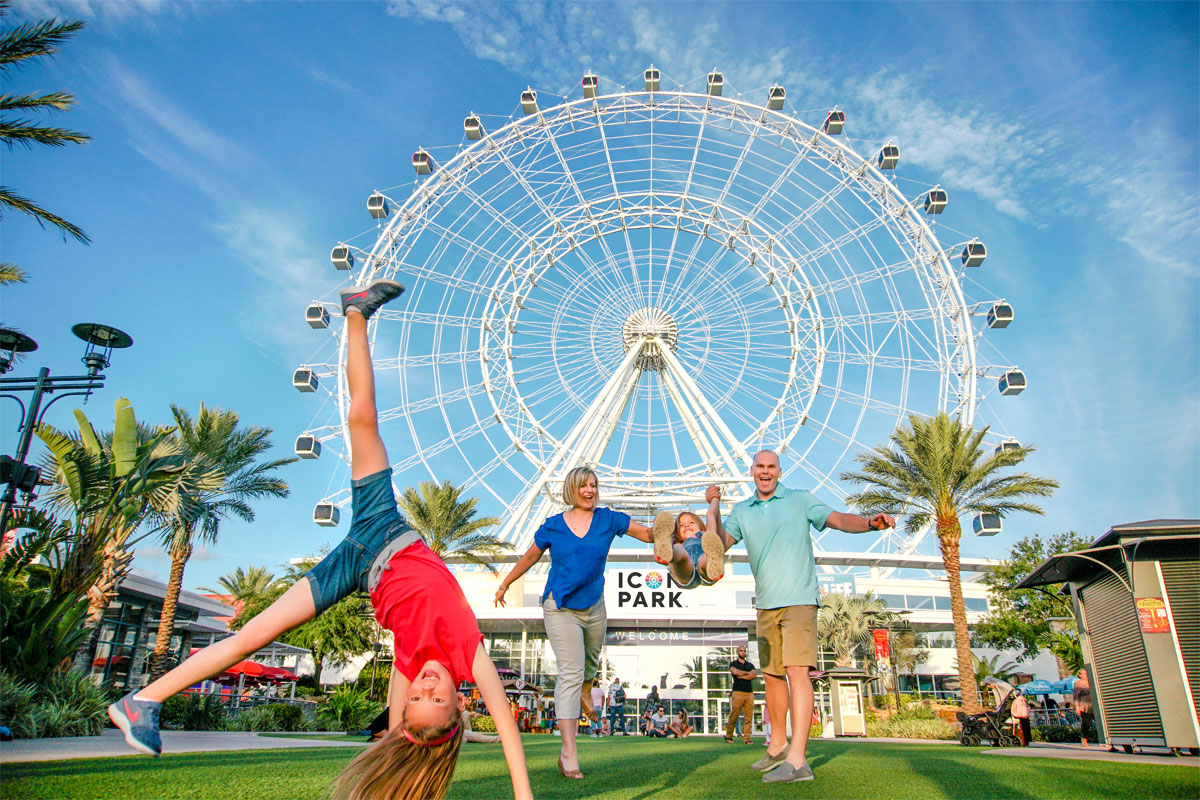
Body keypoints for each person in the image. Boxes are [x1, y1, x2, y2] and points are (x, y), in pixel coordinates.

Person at [106, 281, 532, 800]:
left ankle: (140, 701)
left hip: (355, 566)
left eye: (416, 699)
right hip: (387, 529)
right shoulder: (471, 656)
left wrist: (397, 741)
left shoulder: (405, 664)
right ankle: (356, 314)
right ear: (461, 705)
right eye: (435, 698)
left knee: (251, 634)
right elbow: (509, 732)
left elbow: (400, 729)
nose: (425, 687)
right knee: (362, 417)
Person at [706, 450, 895, 785]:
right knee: (773, 676)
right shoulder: (742, 511)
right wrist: (714, 506)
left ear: (779, 471)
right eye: (759, 467)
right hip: (765, 604)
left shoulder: (800, 500)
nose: (765, 472)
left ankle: (798, 759)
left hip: (799, 600)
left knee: (797, 673)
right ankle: (777, 746)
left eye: (770, 467)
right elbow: (718, 544)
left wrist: (868, 524)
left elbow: (837, 519)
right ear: (751, 471)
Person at [495, 498, 666, 780]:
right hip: (560, 605)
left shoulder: (608, 519)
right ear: (571, 491)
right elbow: (530, 557)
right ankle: (569, 752)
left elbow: (648, 534)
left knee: (590, 660)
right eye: (584, 485)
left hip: (593, 605)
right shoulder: (553, 526)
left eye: (593, 486)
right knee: (570, 673)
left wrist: (676, 530)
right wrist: (505, 584)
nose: (590, 490)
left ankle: (587, 687)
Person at [652, 494, 726, 588]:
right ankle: (664, 544)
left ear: (701, 527)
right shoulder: (678, 544)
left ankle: (714, 561)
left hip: (705, 567)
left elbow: (711, 514)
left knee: (707, 554)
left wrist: (715, 498)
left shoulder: (706, 536)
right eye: (682, 525)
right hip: (684, 571)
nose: (686, 525)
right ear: (676, 532)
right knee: (678, 549)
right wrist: (660, 528)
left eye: (691, 522)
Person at [725, 644, 757, 743]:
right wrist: (747, 673)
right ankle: (729, 736)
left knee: (748, 717)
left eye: (744, 650)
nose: (743, 652)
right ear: (737, 652)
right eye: (741, 650)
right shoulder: (733, 663)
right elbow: (735, 672)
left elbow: (754, 675)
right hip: (737, 693)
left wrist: (742, 675)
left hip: (749, 693)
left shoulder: (750, 665)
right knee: (734, 715)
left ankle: (747, 739)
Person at [1073, 669, 1094, 747]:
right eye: (1083, 673)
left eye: (1086, 673)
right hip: (1085, 706)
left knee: (1100, 723)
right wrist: (1077, 707)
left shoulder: (1091, 681)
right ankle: (1084, 738)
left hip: (1094, 704)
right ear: (1080, 675)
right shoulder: (1078, 684)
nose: (1085, 675)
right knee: (1087, 723)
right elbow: (1076, 696)